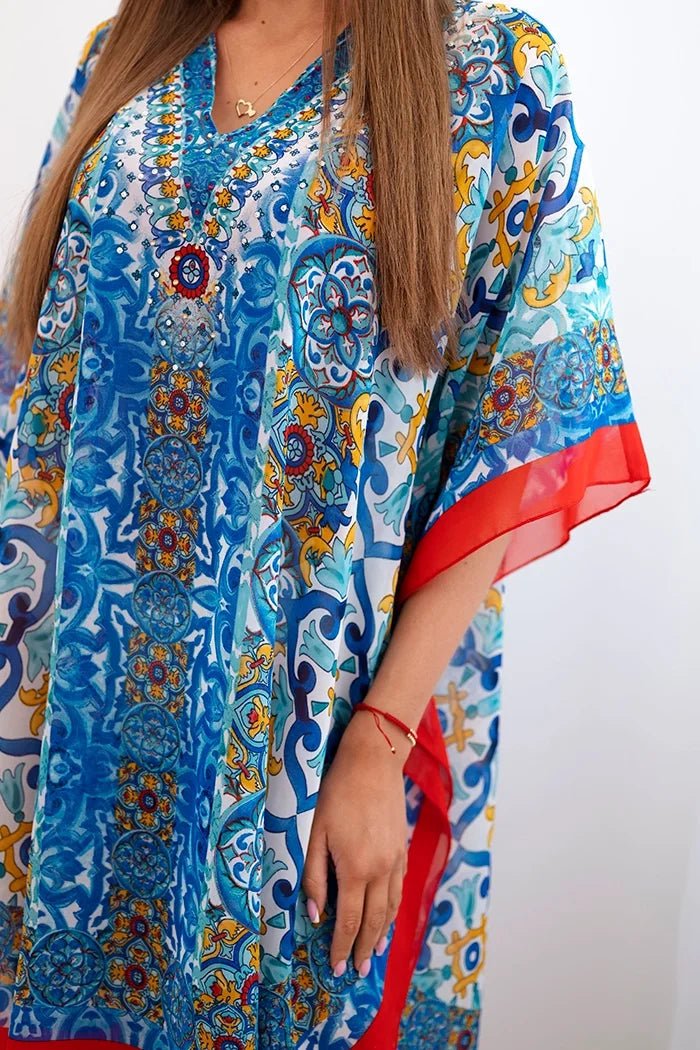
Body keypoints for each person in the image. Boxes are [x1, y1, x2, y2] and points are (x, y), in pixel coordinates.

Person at [0, 0, 650, 1047]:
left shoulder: (492, 74)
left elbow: (510, 424)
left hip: (305, 734)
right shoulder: (122, 52)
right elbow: (31, 384)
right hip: (65, 718)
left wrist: (380, 743)